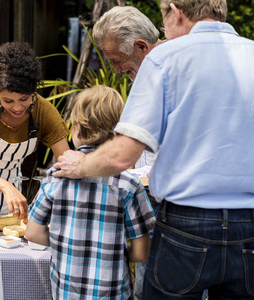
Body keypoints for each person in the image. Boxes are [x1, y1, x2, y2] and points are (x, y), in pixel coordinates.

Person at [53, 0, 254, 298]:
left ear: (175, 11)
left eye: (163, 17)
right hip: (248, 226)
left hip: (186, 223)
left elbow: (123, 155)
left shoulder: (163, 60)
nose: (163, 29)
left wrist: (78, 165)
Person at [25, 85, 155, 300]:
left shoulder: (56, 176)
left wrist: (66, 245)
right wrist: (114, 253)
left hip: (66, 293)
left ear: (76, 128)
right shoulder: (129, 184)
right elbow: (142, 252)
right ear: (119, 131)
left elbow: (32, 233)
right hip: (112, 294)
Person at [92, 7, 162, 299]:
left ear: (141, 46)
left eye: (118, 61)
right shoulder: (147, 75)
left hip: (169, 204)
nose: (116, 70)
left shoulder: (165, 73)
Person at [0, 42, 69, 221]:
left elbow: (67, 164)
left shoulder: (44, 112)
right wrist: (6, 187)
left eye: (24, 99)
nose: (18, 107)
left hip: (12, 205)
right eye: (8, 100)